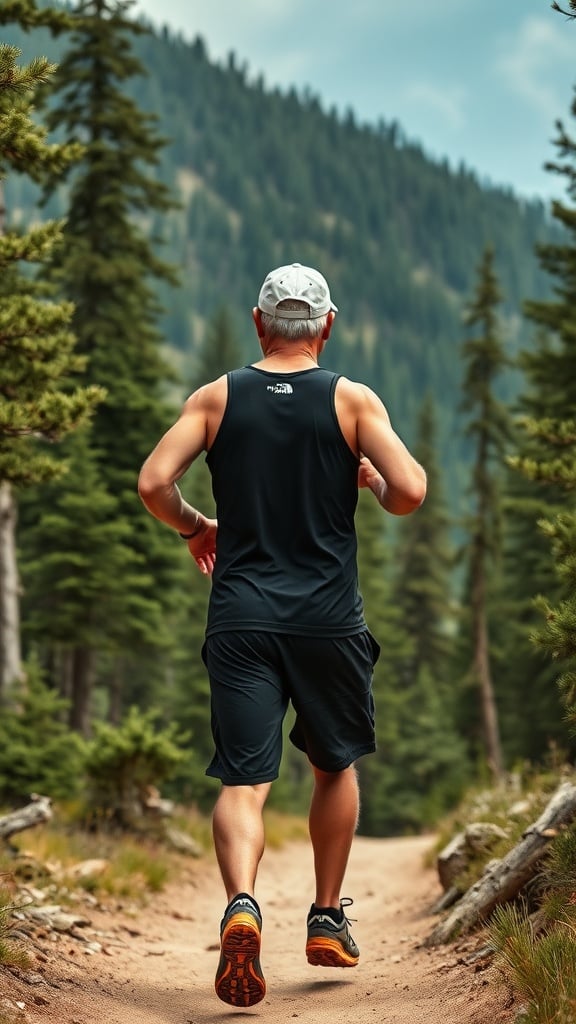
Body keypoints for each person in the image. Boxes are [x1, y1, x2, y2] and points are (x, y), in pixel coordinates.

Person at [138, 262, 427, 1008]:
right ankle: (327, 916)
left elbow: (152, 482)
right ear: (326, 326)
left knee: (245, 781)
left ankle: (242, 903)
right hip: (328, 621)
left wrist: (196, 525)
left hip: (241, 617)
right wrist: (370, 481)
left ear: (260, 323)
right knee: (333, 767)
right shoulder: (352, 400)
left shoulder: (216, 397)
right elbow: (412, 493)